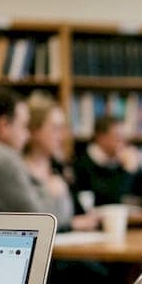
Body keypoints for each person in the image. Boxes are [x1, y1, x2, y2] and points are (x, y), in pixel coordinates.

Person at [23, 93, 98, 232]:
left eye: (63, 128)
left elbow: (82, 213)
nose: (62, 136)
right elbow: (27, 225)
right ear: (34, 130)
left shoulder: (61, 167)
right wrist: (71, 225)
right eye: (55, 128)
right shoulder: (18, 170)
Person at [72, 115, 142, 208]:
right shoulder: (83, 164)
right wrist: (128, 171)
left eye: (124, 136)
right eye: (118, 136)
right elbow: (108, 199)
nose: (123, 141)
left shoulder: (126, 158)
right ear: (101, 137)